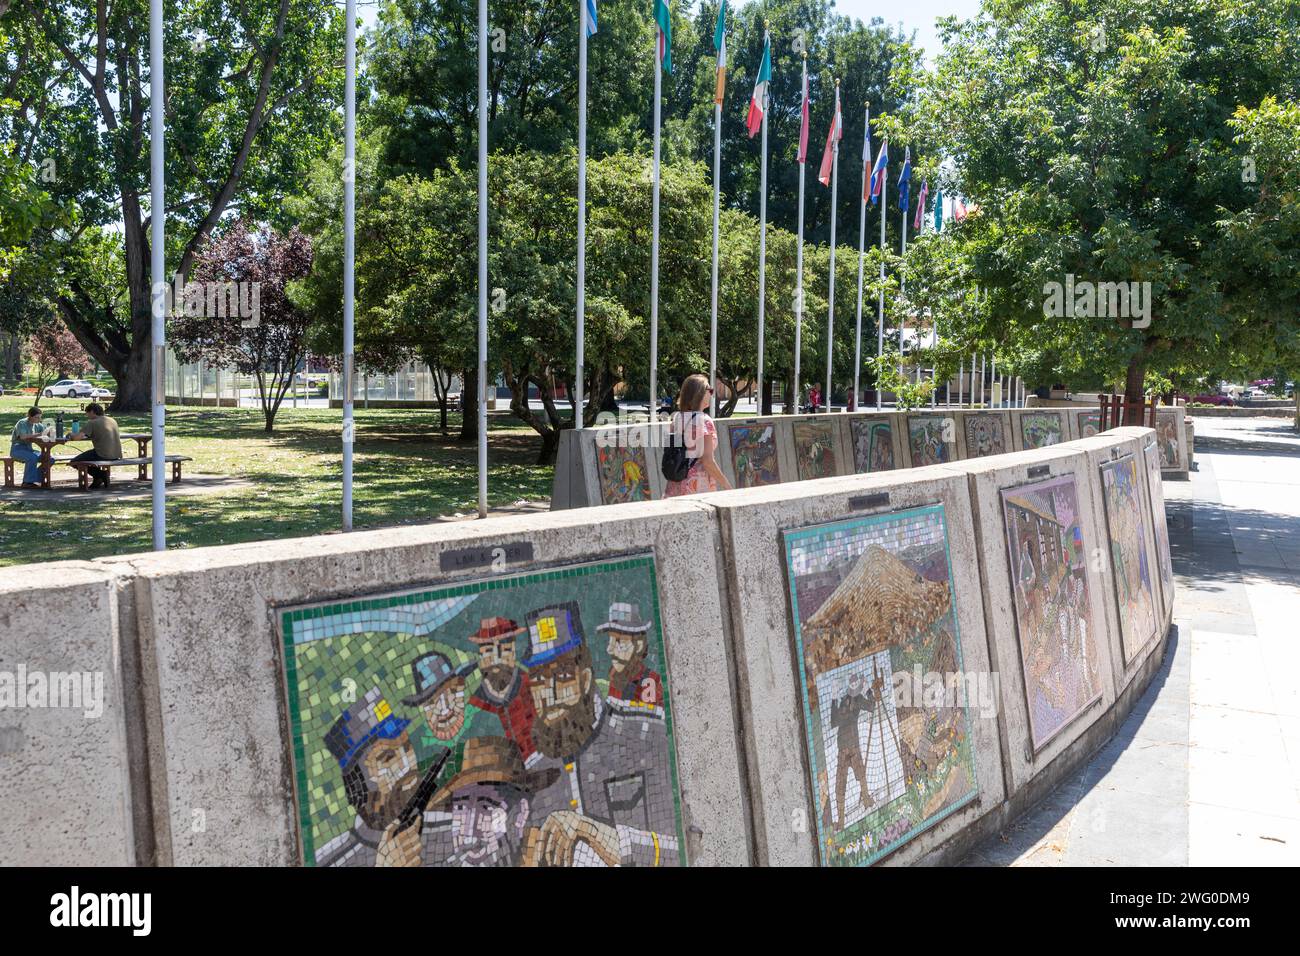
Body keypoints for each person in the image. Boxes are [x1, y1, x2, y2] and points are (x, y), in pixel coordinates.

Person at [663, 373, 730, 498]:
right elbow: (707, 461)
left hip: (676, 484)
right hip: (697, 487)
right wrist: (727, 486)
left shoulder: (677, 418)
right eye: (709, 390)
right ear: (699, 393)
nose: (712, 394)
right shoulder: (704, 421)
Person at [67, 403, 122, 490]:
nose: (87, 416)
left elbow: (77, 438)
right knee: (87, 458)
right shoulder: (112, 420)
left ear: (92, 412)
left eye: (87, 413)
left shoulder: (93, 422)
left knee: (74, 462)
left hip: (102, 454)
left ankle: (101, 474)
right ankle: (98, 479)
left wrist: (71, 434)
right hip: (116, 454)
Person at [9, 407, 46, 488]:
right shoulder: (22, 423)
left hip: (29, 449)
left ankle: (34, 479)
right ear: (30, 416)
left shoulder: (38, 425)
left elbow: (45, 432)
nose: (39, 419)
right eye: (37, 417)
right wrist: (39, 434)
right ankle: (27, 482)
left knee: (49, 458)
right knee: (32, 458)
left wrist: (50, 431)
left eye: (40, 417)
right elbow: (22, 436)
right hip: (17, 449)